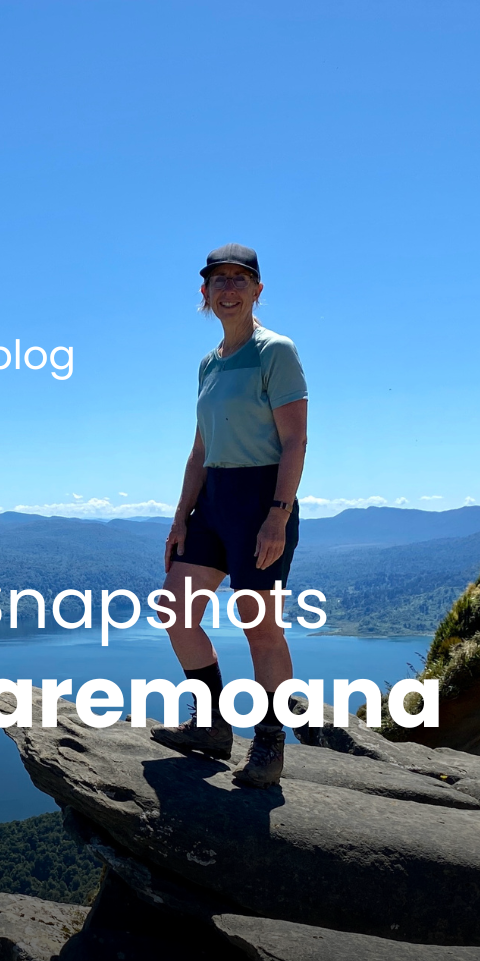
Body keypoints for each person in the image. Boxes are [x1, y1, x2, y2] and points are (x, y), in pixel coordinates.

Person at [151, 243, 308, 788]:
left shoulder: (275, 351)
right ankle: (213, 725)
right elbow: (199, 449)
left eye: (240, 279)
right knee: (175, 608)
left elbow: (295, 441)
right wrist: (180, 518)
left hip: (261, 497)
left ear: (258, 290)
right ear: (205, 293)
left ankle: (269, 742)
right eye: (219, 280)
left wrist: (278, 515)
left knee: (259, 627)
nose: (229, 288)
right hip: (213, 499)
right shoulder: (209, 364)